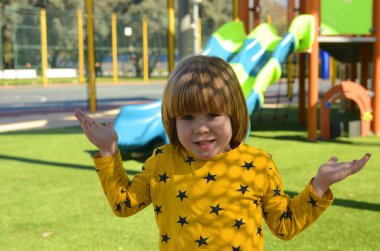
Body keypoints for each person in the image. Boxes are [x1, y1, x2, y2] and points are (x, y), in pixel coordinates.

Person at [74, 55, 371, 251]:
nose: (200, 128)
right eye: (187, 118)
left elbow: (284, 225)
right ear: (172, 121)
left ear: (234, 114)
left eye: (213, 115)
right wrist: (108, 151)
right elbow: (123, 204)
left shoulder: (258, 164)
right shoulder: (162, 161)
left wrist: (319, 186)